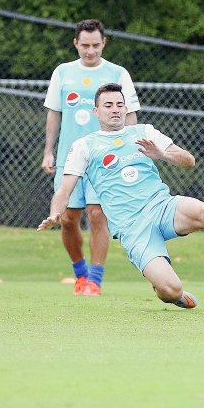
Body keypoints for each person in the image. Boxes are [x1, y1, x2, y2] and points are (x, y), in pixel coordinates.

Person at [40, 83, 204, 307]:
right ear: (96, 111)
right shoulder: (85, 145)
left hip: (161, 207)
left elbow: (189, 160)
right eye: (108, 105)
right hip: (132, 227)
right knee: (172, 289)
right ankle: (164, 289)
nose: (115, 109)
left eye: (120, 104)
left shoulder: (144, 132)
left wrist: (162, 154)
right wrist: (54, 214)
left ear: (126, 108)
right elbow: (64, 190)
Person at [42, 20, 140, 296]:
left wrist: (128, 148)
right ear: (75, 44)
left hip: (104, 158)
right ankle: (80, 274)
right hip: (70, 157)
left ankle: (95, 280)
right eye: (85, 45)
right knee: (68, 218)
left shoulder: (118, 73)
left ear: (104, 43)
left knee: (97, 215)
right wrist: (49, 150)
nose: (90, 51)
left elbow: (130, 114)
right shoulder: (63, 73)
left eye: (96, 45)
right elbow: (54, 113)